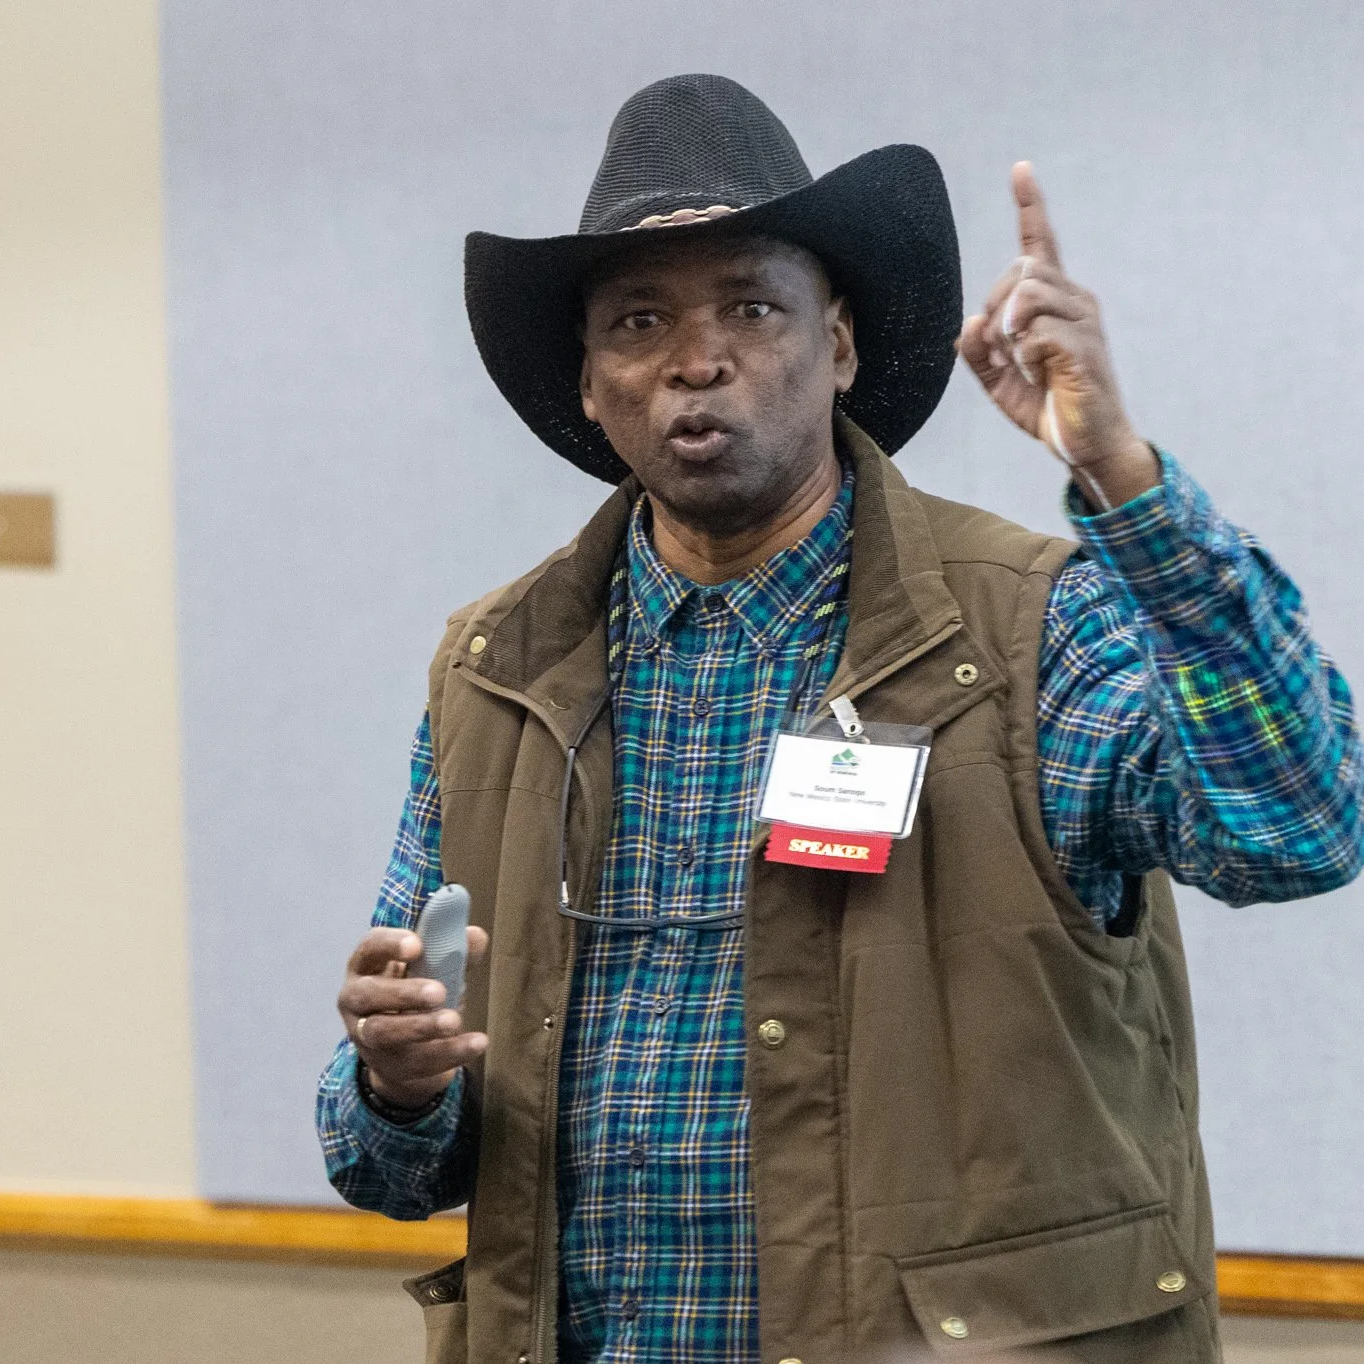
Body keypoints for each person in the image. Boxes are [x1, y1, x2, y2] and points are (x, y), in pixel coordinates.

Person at [315, 74, 1364, 1364]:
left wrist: (1122, 476)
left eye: (750, 307)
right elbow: (387, 1155)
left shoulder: (1029, 629)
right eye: (640, 320)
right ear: (589, 383)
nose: (697, 358)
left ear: (843, 347)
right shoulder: (495, 671)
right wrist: (397, 1082)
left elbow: (1298, 829)